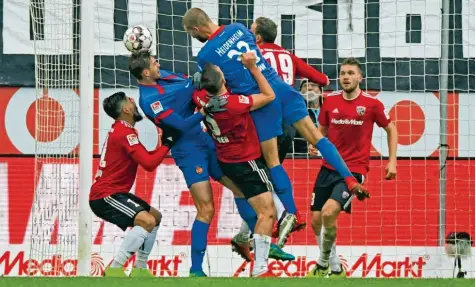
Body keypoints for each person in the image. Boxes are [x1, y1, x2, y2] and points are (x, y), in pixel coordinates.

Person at [183, 8, 368, 248]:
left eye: (190, 33)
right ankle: (350, 179)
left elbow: (220, 84)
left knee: (272, 163)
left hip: (263, 101)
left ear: (195, 30)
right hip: (282, 88)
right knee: (318, 139)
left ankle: (291, 213)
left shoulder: (206, 54)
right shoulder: (239, 28)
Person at [128, 50, 291, 275]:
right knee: (206, 209)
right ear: (146, 72)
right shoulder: (150, 101)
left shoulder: (161, 75)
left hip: (206, 141)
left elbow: (186, 85)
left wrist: (194, 79)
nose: (159, 64)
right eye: (154, 63)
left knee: (239, 189)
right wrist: (204, 111)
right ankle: (195, 269)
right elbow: (179, 126)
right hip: (188, 152)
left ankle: (262, 242)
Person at [306, 58, 398, 278]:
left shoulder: (371, 104)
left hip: (354, 171)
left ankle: (321, 264)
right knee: (316, 221)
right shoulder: (330, 101)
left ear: (359, 78)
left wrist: (392, 160)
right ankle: (336, 268)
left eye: (350, 73)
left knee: (329, 213)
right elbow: (322, 128)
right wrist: (315, 141)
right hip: (327, 168)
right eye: (342, 73)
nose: (345, 77)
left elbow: (391, 129)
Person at [194, 51, 278, 277]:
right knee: (267, 212)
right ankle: (260, 268)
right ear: (222, 80)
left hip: (226, 161)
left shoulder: (202, 100)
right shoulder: (235, 103)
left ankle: (244, 240)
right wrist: (252, 67)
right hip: (246, 161)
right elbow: (269, 95)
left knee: (258, 205)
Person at [89, 92, 175, 277]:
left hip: (114, 192)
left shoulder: (124, 130)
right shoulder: (124, 133)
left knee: (155, 217)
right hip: (105, 196)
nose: (134, 102)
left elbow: (148, 157)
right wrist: (168, 143)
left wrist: (164, 143)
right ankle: (114, 268)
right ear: (126, 109)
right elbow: (150, 164)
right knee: (147, 221)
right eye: (130, 100)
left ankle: (140, 269)